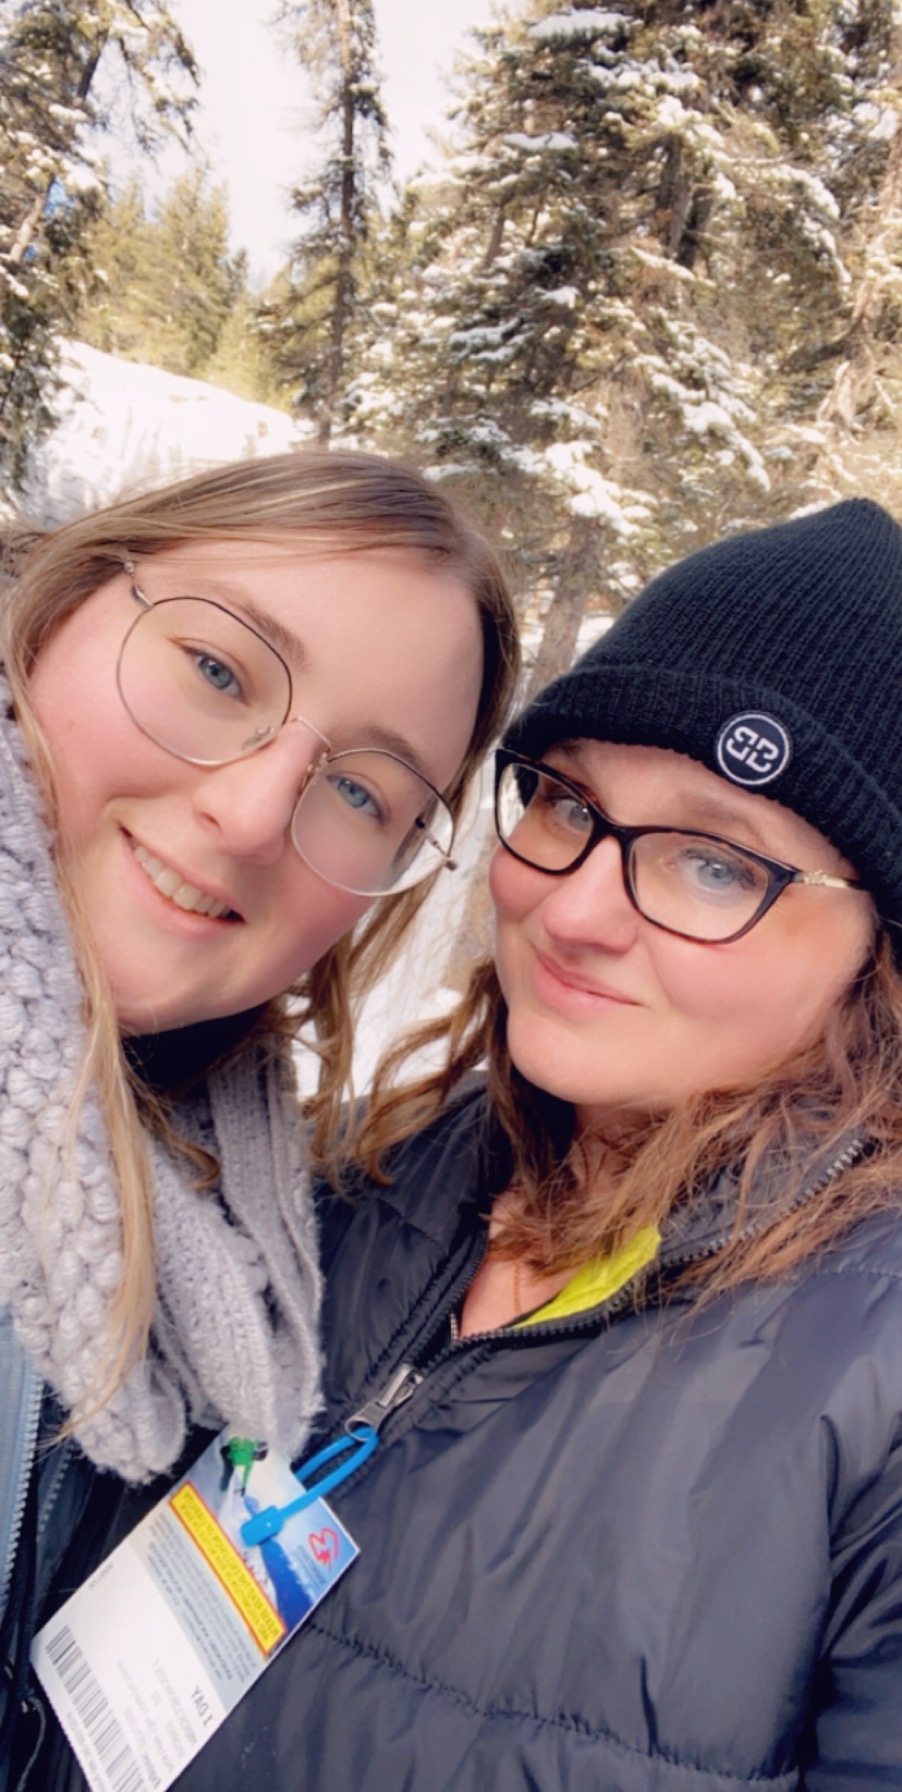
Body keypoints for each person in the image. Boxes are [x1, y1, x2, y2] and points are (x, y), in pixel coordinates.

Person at [30, 497, 902, 1790]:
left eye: (716, 864)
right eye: (564, 803)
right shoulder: (328, 1181)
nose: (576, 908)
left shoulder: (872, 1395)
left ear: (879, 959)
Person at [0, 446, 518, 1777]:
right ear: (64, 596)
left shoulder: (218, 1205)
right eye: (219, 670)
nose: (246, 814)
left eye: (359, 790)